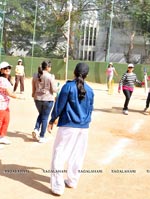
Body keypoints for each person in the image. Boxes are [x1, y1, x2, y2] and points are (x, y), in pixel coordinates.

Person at [47, 62, 94, 196]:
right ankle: (72, 181)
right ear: (87, 75)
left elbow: (59, 105)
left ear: (74, 72)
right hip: (84, 128)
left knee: (59, 154)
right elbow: (90, 110)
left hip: (68, 125)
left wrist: (52, 120)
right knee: (77, 155)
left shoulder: (68, 87)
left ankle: (57, 187)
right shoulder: (90, 90)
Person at [0, 61, 21, 150]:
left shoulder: (6, 78)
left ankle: (1, 137)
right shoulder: (1, 79)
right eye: (5, 68)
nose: (8, 69)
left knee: (6, 120)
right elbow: (9, 93)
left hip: (4, 104)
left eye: (9, 68)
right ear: (1, 70)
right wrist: (18, 97)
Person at [32, 60, 58, 143]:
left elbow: (33, 85)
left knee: (41, 114)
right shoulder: (50, 76)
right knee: (45, 117)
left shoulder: (36, 75)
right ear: (47, 67)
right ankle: (42, 136)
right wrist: (58, 88)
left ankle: (36, 129)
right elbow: (54, 89)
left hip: (37, 99)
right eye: (50, 66)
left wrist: (33, 93)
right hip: (47, 99)